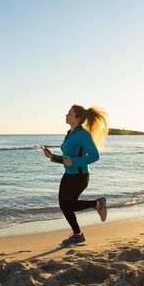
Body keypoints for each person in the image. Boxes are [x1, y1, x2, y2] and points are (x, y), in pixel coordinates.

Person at [43, 104, 109, 245]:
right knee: (64, 205)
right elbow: (68, 160)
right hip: (68, 175)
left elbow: (94, 156)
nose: (66, 115)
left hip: (80, 176)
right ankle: (77, 234)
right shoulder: (70, 133)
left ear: (78, 117)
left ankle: (98, 203)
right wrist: (53, 157)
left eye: (70, 113)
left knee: (68, 204)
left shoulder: (83, 134)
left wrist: (73, 161)